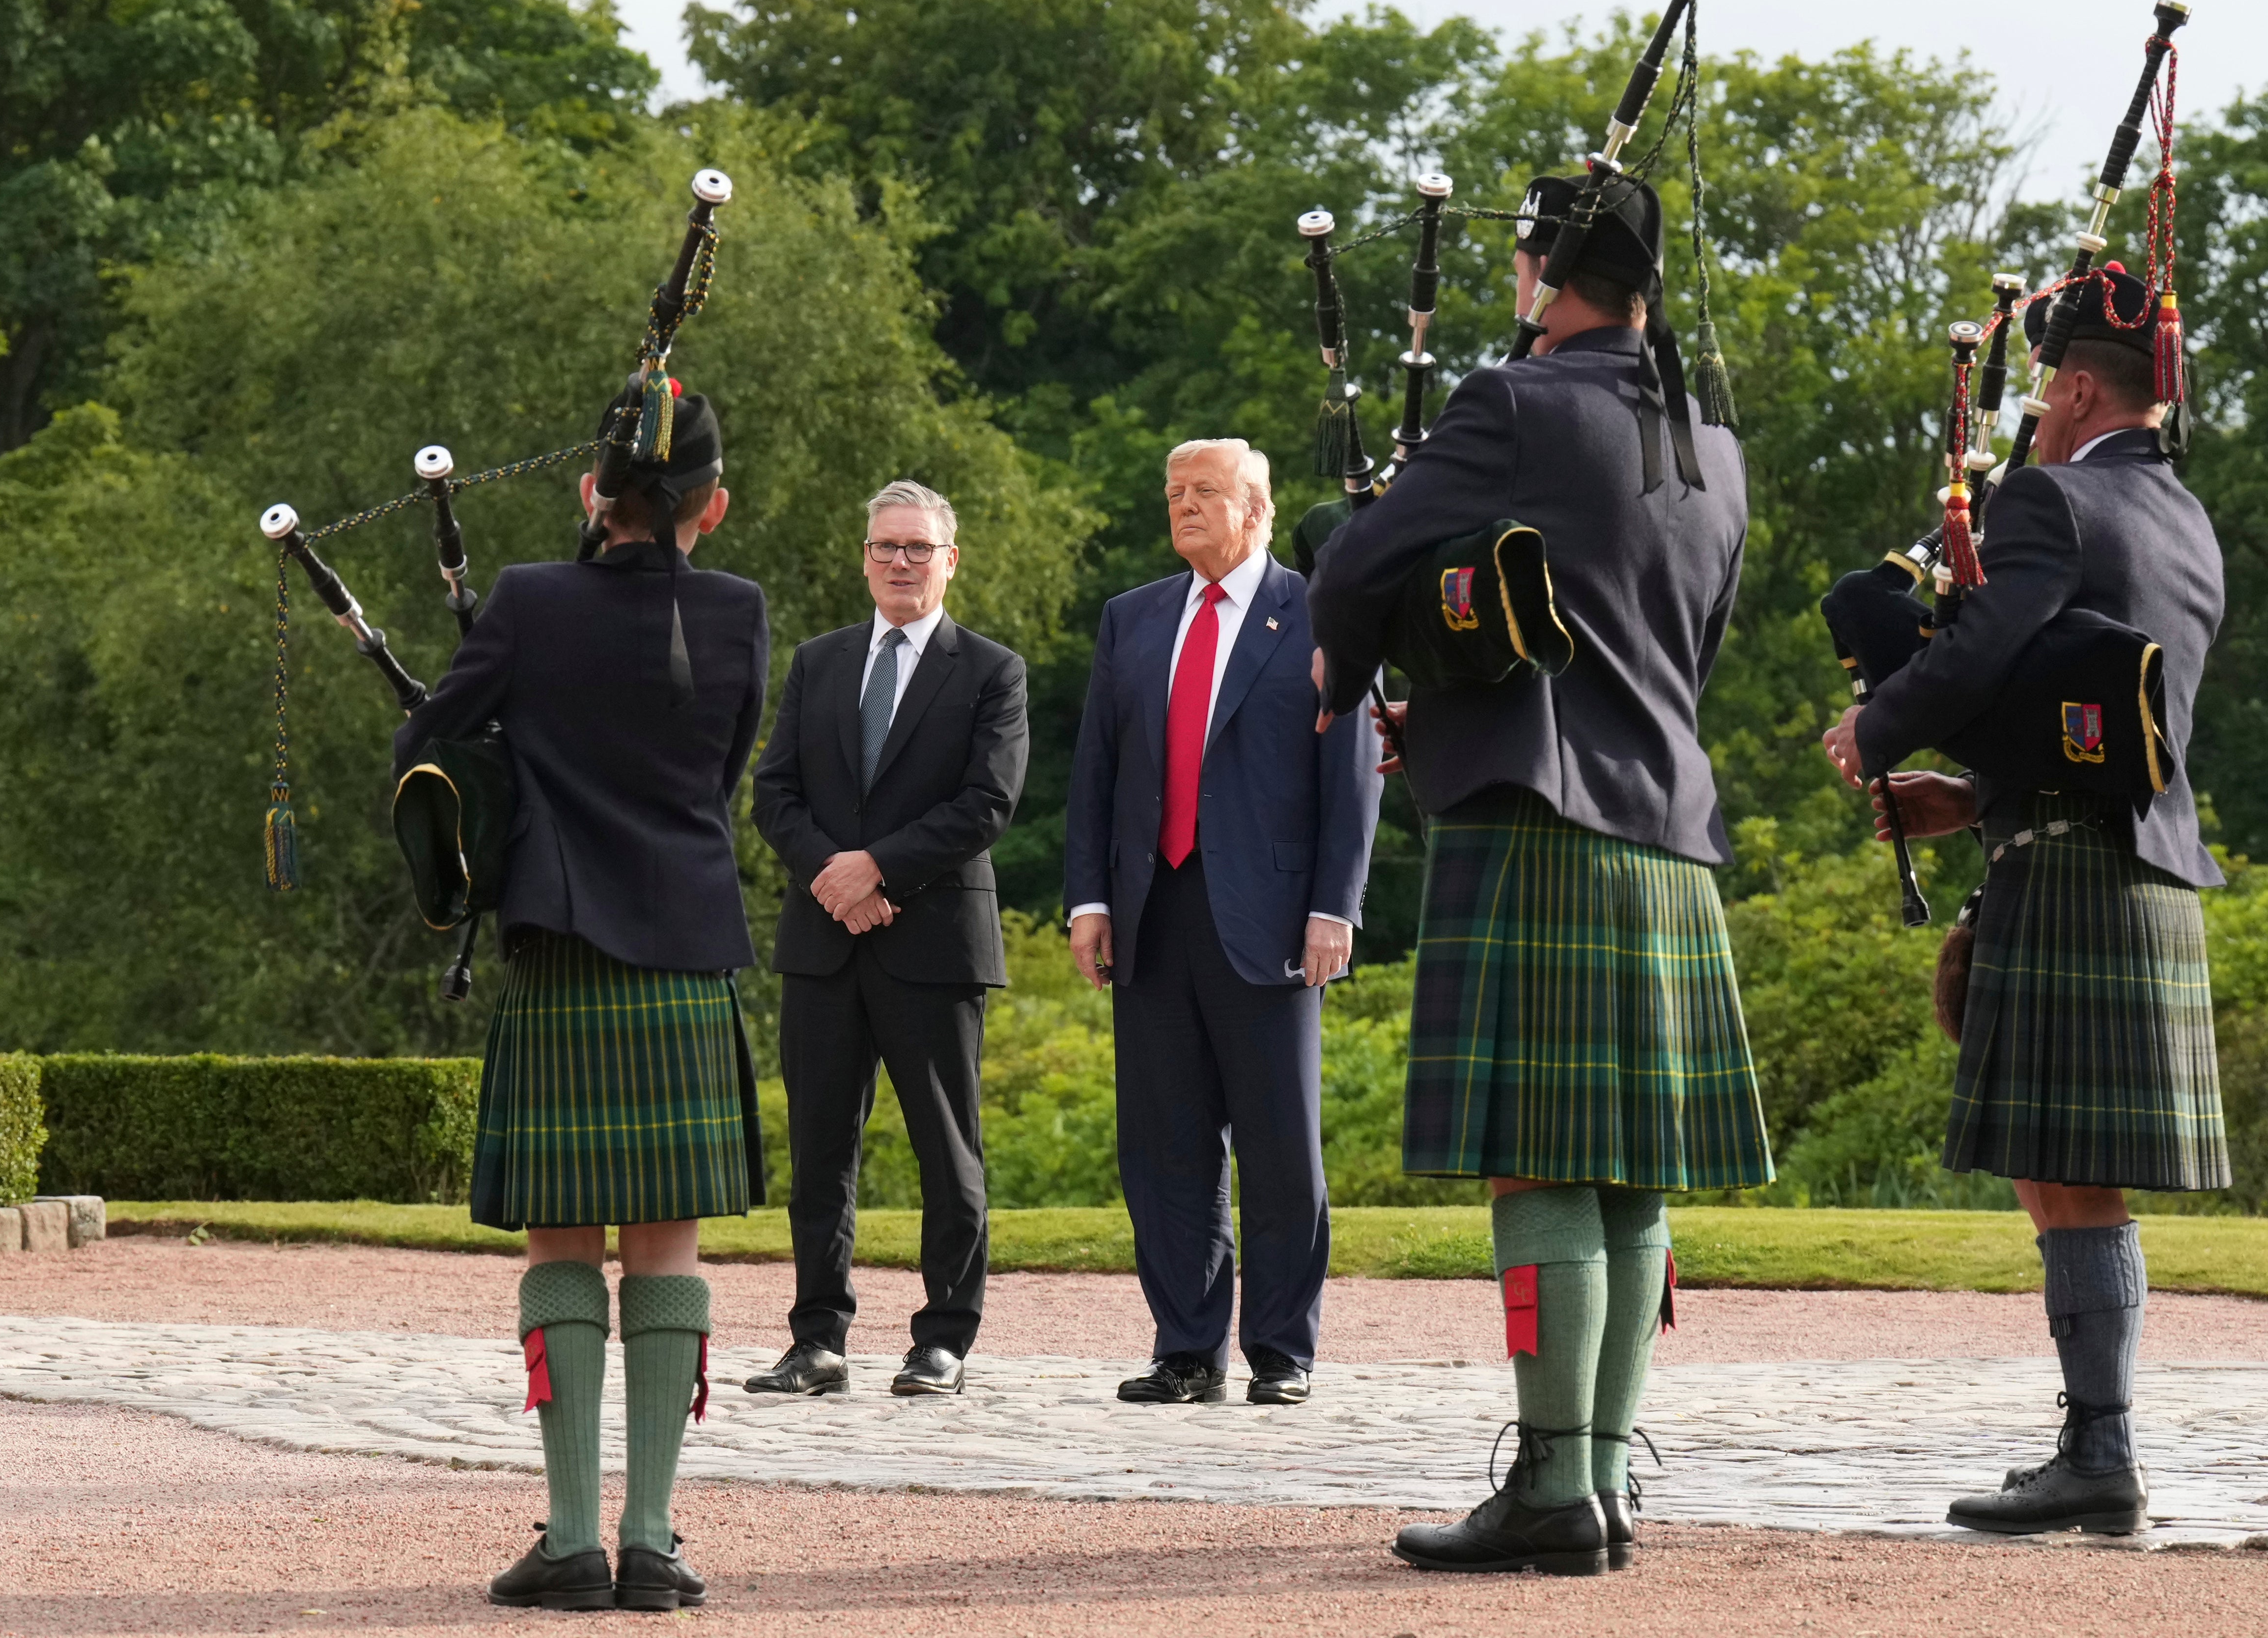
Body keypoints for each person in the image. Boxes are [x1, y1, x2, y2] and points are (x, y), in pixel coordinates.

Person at [1306, 173, 1772, 1575]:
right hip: (1668, 830)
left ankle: (1553, 1487)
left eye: (1523, 256)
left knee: (1539, 1164)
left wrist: (1347, 678)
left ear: (1545, 272)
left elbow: (1357, 561)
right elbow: (1672, 645)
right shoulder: (1714, 443)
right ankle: (1603, 1478)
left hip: (1539, 825)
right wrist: (1455, 701)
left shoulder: (1510, 403)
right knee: (1630, 1174)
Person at [1824, 262, 2228, 1538]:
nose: (2037, 415)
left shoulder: (2053, 498)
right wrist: (1969, 792)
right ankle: (2092, 1443)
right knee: (2062, 1175)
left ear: (2077, 391)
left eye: (2048, 394)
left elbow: (1984, 647)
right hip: (2128, 852)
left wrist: (1874, 728)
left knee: (2068, 1176)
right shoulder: (2185, 519)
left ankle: (2100, 1452)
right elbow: (2086, 701)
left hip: (2069, 870)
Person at [395, 379, 768, 1614]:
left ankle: (569, 1541)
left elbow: (423, 753)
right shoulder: (738, 611)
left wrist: (507, 777)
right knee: (666, 1243)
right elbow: (716, 777)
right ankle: (650, 1541)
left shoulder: (525, 599)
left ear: (590, 491)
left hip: (560, 949)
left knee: (561, 1239)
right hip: (683, 940)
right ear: (712, 506)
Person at [1065, 438, 1381, 1408]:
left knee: (1281, 1147)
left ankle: (1281, 1351)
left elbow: (1352, 774)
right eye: (1174, 492)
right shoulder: (1131, 618)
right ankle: (1186, 1349)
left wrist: (1334, 906)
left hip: (1274, 919)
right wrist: (1089, 899)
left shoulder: (1320, 613)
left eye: (1204, 491)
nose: (1184, 505)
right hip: (1150, 912)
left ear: (1257, 510)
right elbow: (1096, 771)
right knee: (1166, 1144)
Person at [746, 481, 1029, 1399]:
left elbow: (988, 802)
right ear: (864, 557)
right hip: (824, 941)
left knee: (947, 1149)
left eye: (918, 547)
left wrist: (877, 870)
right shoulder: (819, 661)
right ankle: (817, 1340)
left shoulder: (990, 670)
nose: (900, 561)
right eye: (885, 546)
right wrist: (835, 878)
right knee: (820, 1152)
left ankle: (944, 1338)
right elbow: (775, 793)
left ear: (951, 560)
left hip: (934, 942)